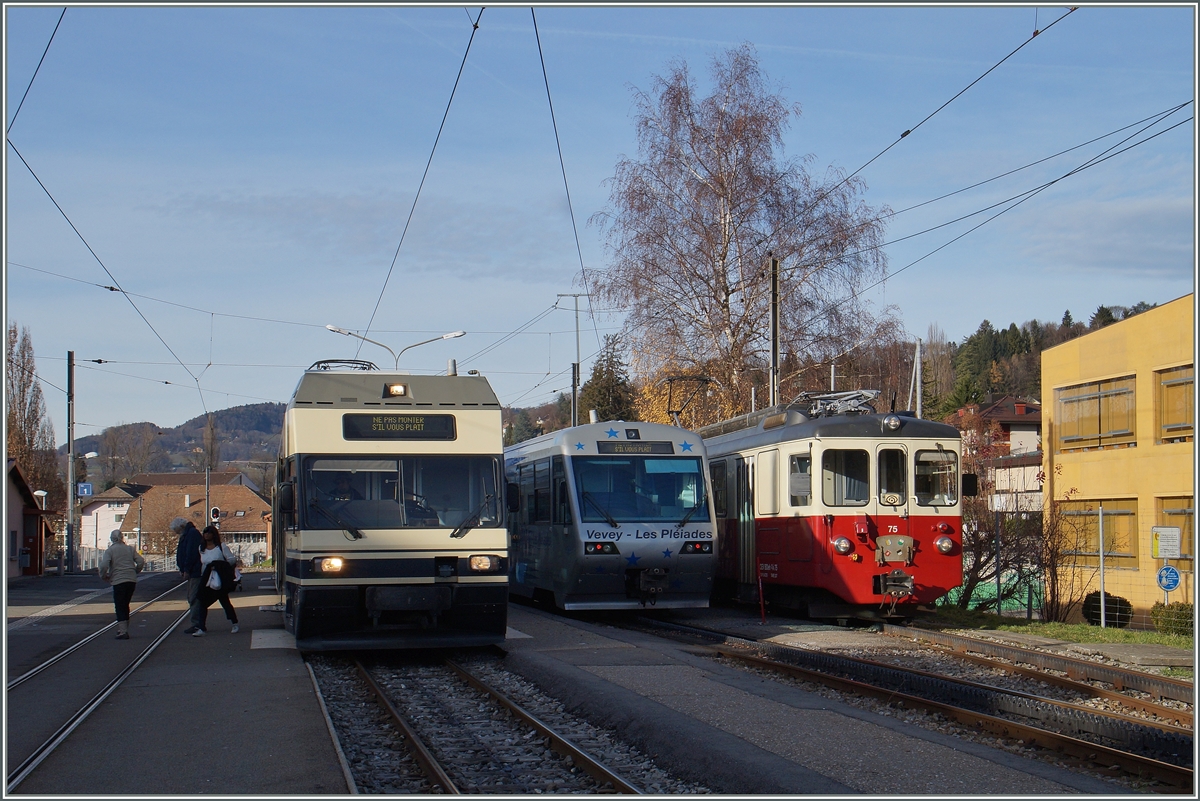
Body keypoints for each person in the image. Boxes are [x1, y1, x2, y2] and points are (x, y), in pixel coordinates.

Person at [97, 529, 145, 639]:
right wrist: (136, 571)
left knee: (120, 605)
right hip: (131, 580)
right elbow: (141, 561)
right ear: (122, 537)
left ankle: (123, 631)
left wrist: (104, 576)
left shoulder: (110, 551)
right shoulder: (129, 549)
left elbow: (104, 565)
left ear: (111, 539)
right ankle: (123, 629)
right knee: (125, 604)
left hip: (119, 580)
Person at [194, 525, 240, 637]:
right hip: (207, 579)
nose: (206, 535)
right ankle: (201, 627)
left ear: (214, 535)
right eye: (205, 533)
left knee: (225, 602)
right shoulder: (201, 548)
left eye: (209, 533)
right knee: (202, 602)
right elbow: (202, 563)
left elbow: (231, 559)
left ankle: (234, 623)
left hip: (219, 578)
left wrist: (219, 566)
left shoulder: (221, 547)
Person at [172, 516, 205, 634]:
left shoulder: (191, 534)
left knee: (194, 597)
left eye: (176, 531)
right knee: (192, 596)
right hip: (192, 571)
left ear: (181, 527)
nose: (177, 534)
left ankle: (196, 623)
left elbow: (190, 553)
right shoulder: (188, 534)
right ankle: (196, 622)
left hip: (195, 571)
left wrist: (186, 569)